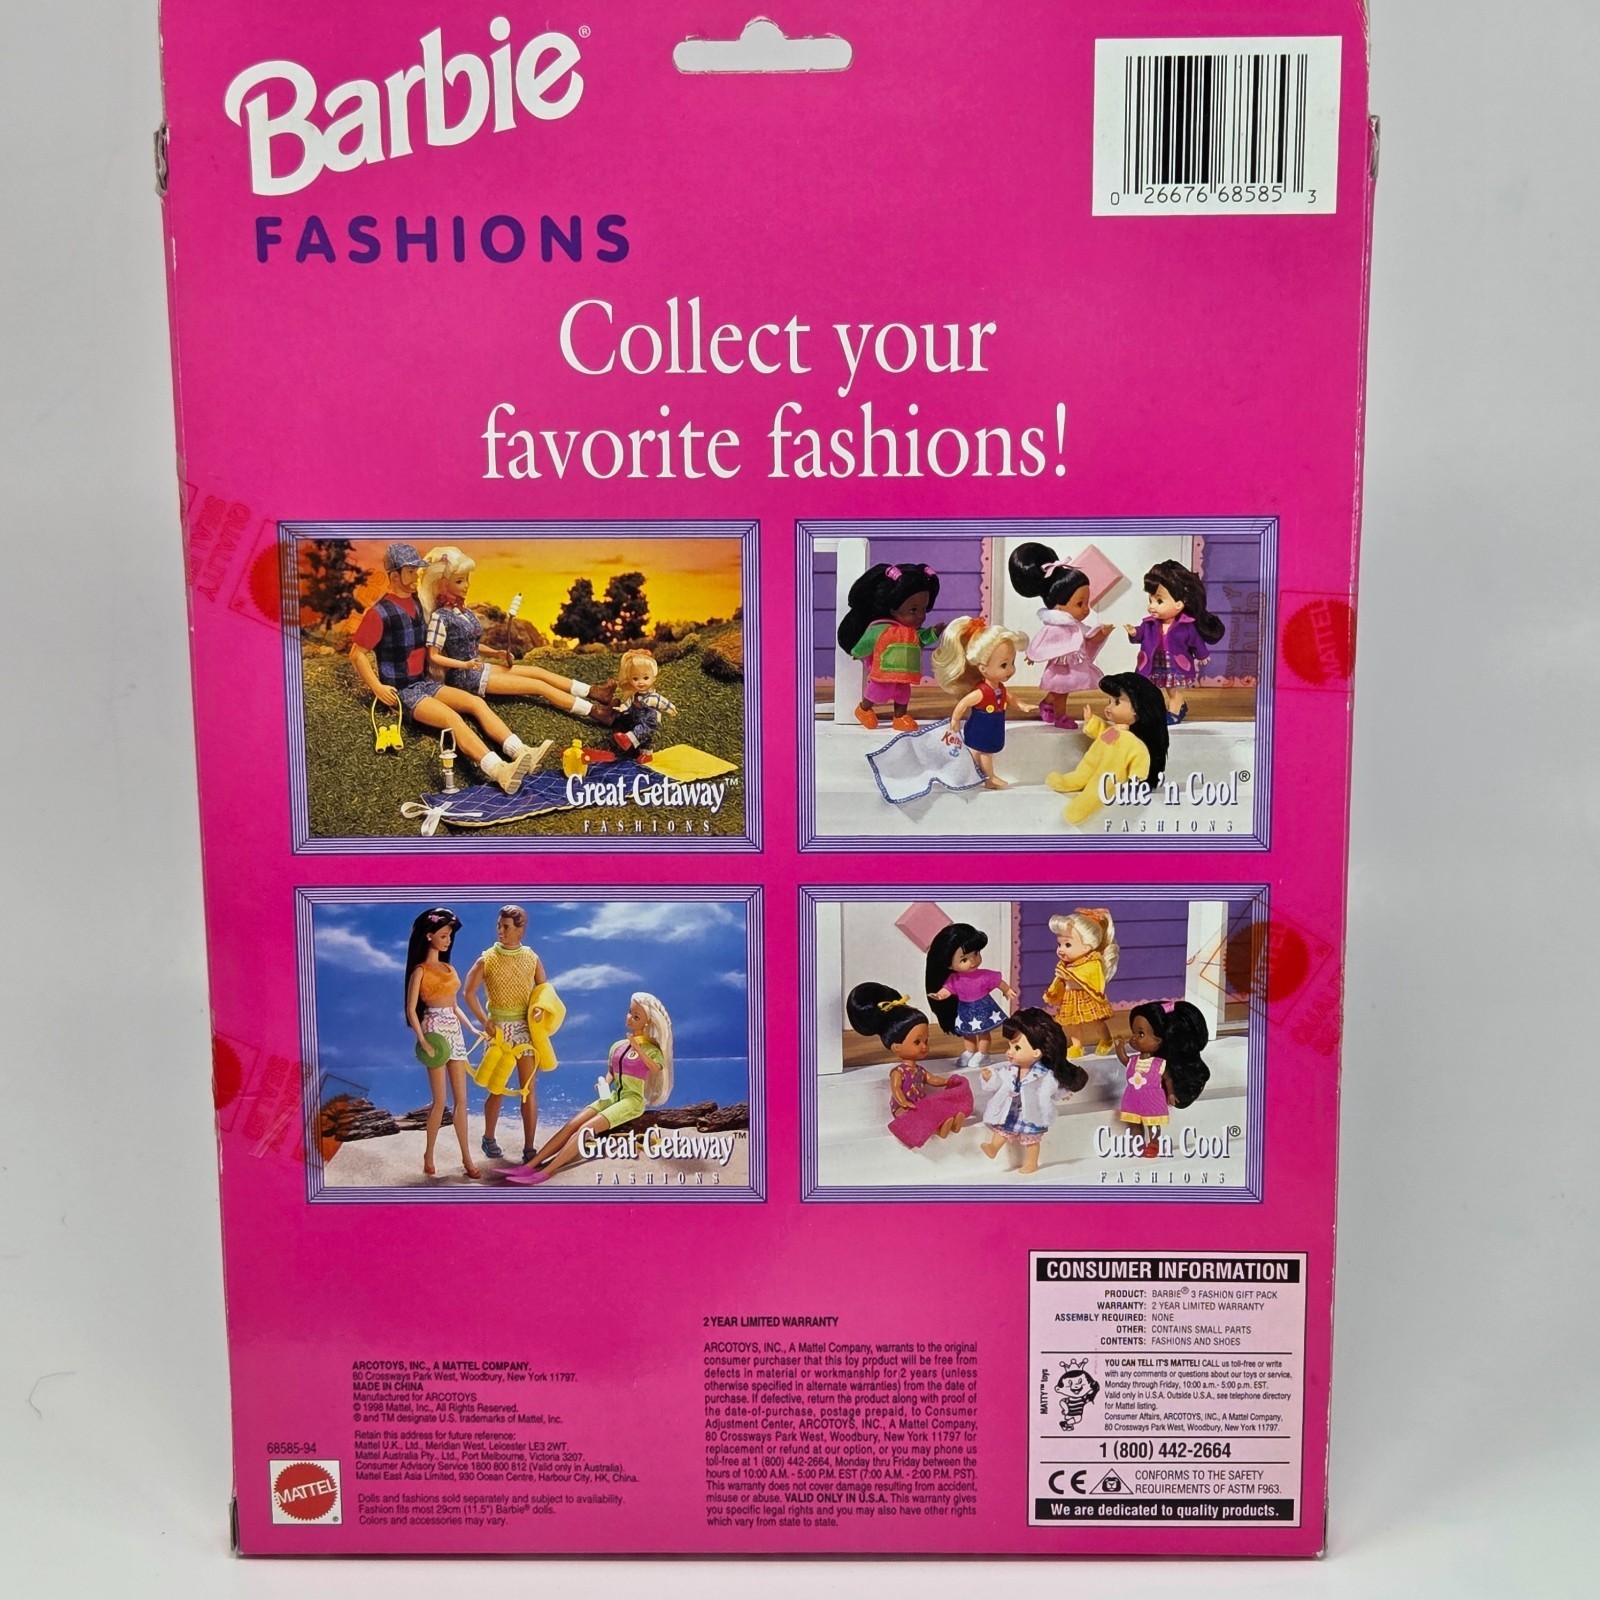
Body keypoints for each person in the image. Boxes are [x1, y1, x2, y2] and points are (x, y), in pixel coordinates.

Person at [348, 541, 547, 793]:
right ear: (394, 576)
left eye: (417, 570)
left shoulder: (419, 604)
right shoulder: (379, 613)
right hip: (403, 692)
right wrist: (377, 687)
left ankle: (521, 752)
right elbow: (357, 654)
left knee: (475, 703)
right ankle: (499, 771)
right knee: (452, 718)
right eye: (409, 571)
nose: (415, 576)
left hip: (425, 683)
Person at [417, 546, 616, 726]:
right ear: (442, 585)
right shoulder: (439, 617)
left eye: (466, 579)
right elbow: (433, 656)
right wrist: (465, 665)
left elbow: (470, 645)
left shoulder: (464, 612)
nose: (466, 585)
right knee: (538, 686)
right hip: (465, 679)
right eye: (459, 581)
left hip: (479, 669)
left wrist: (496, 653)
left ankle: (594, 692)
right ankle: (596, 712)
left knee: (538, 672)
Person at [509, 994, 673, 1186]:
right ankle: (530, 1165)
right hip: (612, 1096)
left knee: (585, 1129)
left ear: (648, 1022)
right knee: (572, 1125)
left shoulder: (652, 1050)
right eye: (630, 1012)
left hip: (632, 1101)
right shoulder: (619, 1046)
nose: (629, 1018)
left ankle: (547, 1171)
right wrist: (605, 1081)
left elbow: (656, 1068)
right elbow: (612, 1070)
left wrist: (638, 1047)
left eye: (636, 1016)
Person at [461, 905, 548, 1163]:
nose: (500, 930)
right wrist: (484, 1020)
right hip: (498, 1030)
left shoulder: (531, 958)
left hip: (525, 1030)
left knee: (528, 1089)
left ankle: (529, 1147)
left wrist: (539, 1009)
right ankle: (488, 1137)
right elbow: (468, 993)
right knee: (496, 1087)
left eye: (506, 927)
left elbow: (544, 990)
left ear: (521, 929)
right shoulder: (487, 959)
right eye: (499, 925)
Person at [403, 907, 480, 1181]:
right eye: (443, 936)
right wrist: (422, 1040)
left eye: (449, 937)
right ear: (429, 936)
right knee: (440, 1101)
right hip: (434, 1030)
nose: (447, 941)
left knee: (462, 1100)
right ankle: (429, 1154)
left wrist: (472, 1027)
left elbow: (455, 1005)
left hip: (454, 1030)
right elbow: (411, 1009)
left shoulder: (449, 968)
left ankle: (466, 1157)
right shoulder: (420, 971)